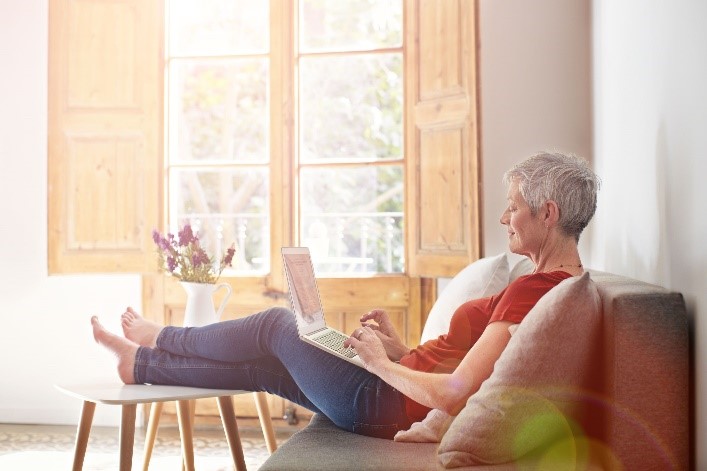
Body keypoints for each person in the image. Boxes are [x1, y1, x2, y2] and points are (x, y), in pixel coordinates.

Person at [92, 151, 600, 439]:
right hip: (388, 391)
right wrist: (400, 350)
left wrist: (379, 364)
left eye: (513, 208)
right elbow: (459, 365)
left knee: (275, 325)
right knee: (262, 367)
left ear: (548, 213)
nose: (504, 219)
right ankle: (139, 364)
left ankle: (164, 336)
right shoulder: (555, 287)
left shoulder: (539, 291)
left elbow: (456, 393)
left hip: (381, 402)